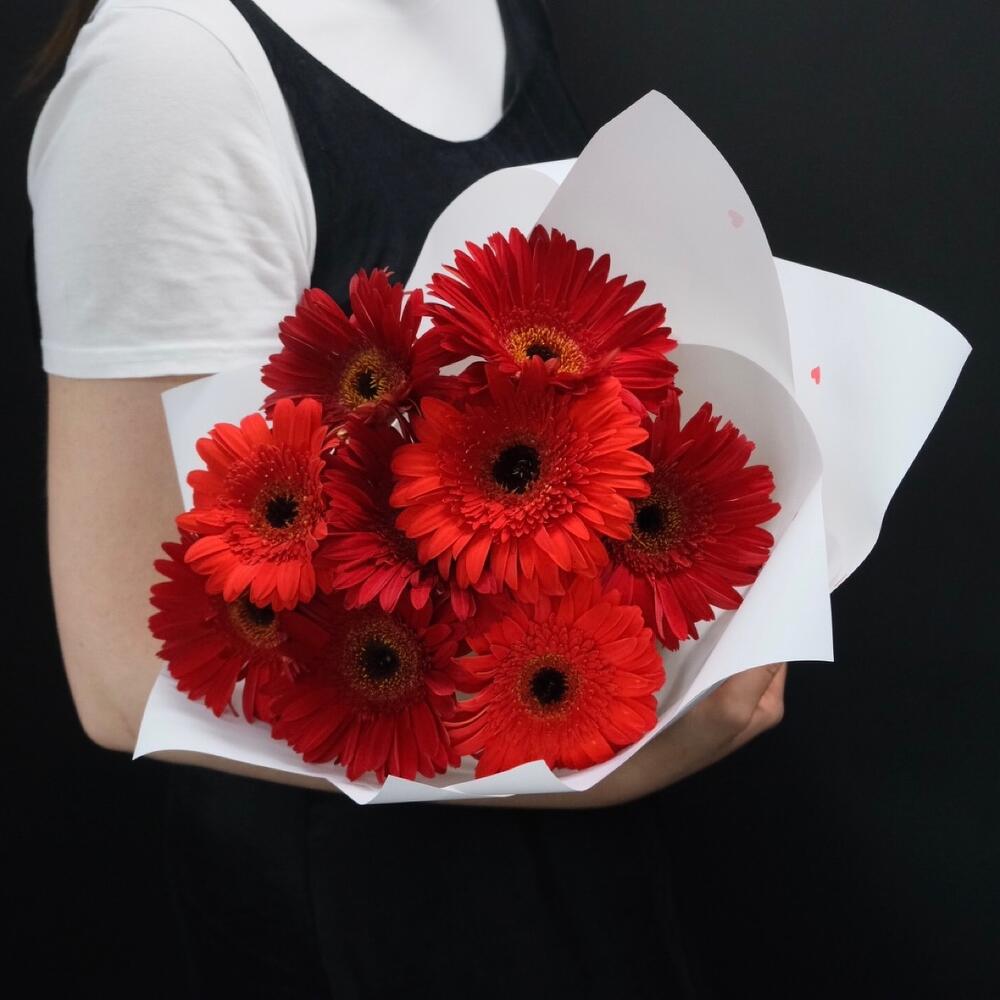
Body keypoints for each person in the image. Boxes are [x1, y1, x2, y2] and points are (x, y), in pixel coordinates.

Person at [25, 1, 787, 995]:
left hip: (570, 826)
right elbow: (125, 674)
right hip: (369, 901)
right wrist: (595, 764)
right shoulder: (172, 74)